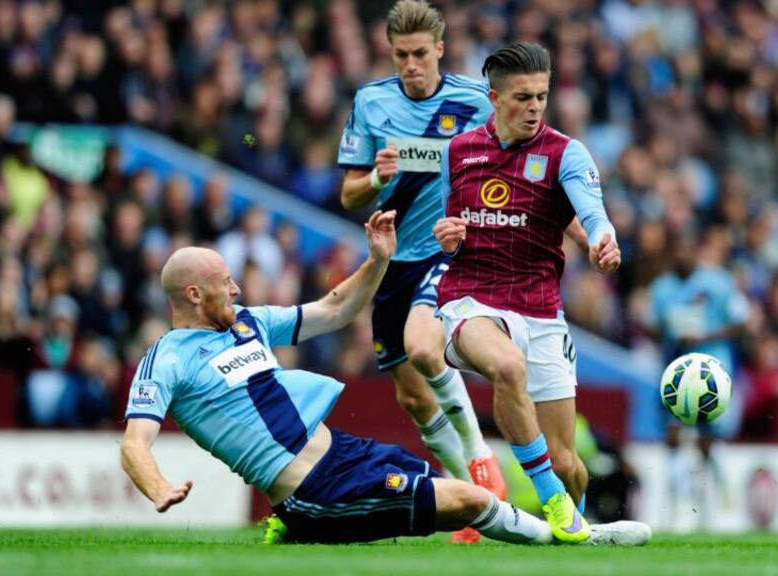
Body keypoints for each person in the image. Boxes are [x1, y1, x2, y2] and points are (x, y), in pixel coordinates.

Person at [119, 210, 650, 546]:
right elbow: (134, 444)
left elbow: (334, 308)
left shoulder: (249, 322)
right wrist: (159, 487)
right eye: (224, 283)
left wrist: (376, 260)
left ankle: (295, 531)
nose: (235, 290)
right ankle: (576, 540)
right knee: (470, 501)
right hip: (316, 489)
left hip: (343, 453)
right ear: (193, 295)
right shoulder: (167, 358)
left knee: (451, 488)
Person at [433, 42, 622, 543]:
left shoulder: (565, 152)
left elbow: (593, 213)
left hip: (539, 310)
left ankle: (569, 520)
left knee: (570, 464)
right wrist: (447, 234)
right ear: (494, 98)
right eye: (522, 97)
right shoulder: (460, 151)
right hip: (470, 299)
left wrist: (604, 240)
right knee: (507, 367)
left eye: (541, 95)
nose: (535, 107)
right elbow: (447, 220)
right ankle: (554, 501)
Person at [337, 0, 504, 541]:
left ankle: (481, 460)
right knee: (412, 396)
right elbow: (348, 193)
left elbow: (507, 164)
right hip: (391, 260)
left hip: (445, 250)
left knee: (427, 347)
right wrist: (375, 180)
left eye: (419, 54)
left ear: (439, 48)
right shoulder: (371, 102)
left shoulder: (475, 101)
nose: (410, 64)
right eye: (400, 55)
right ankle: (469, 502)